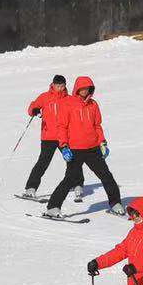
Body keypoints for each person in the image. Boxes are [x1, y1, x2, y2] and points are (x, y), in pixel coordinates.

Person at [45, 76, 124, 217]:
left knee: (106, 175)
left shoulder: (93, 105)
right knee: (69, 179)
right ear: (77, 89)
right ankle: (53, 207)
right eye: (82, 88)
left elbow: (97, 126)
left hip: (93, 148)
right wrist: (64, 146)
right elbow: (62, 127)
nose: (84, 90)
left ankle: (115, 203)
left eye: (87, 88)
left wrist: (102, 142)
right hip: (75, 149)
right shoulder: (67, 103)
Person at [21, 75, 70, 200]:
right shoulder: (45, 97)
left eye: (62, 86)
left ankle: (77, 184)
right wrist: (35, 109)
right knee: (43, 162)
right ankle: (31, 188)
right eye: (58, 86)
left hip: (64, 136)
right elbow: (32, 107)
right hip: (48, 136)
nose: (60, 88)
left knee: (72, 160)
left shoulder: (69, 99)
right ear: (53, 85)